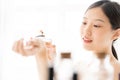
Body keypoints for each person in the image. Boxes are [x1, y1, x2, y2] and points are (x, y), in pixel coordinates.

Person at [12, 0, 120, 80]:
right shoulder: (80, 67)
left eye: (96, 25)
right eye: (84, 23)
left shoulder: (115, 71)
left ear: (116, 33)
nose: (86, 31)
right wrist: (41, 54)